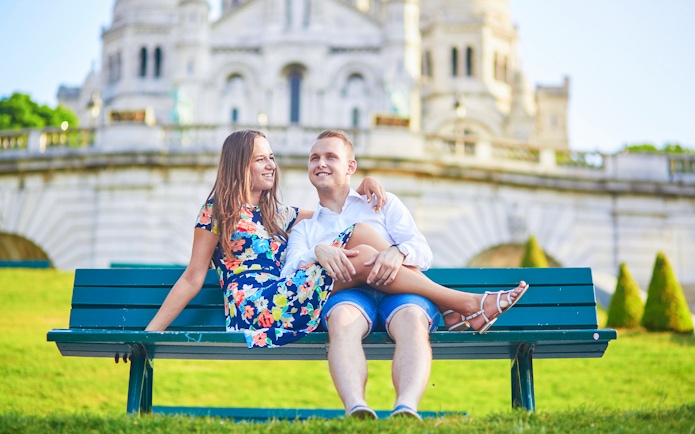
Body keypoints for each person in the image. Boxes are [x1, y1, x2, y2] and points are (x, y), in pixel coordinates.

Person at [281, 130, 529, 420]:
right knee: (342, 318)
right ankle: (356, 408)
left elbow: (422, 252)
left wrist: (397, 252)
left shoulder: (383, 202)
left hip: (400, 292)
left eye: (330, 157)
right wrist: (318, 251)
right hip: (347, 295)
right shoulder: (306, 228)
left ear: (351, 167)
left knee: (413, 319)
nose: (320, 163)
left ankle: (406, 408)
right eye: (314, 158)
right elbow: (289, 275)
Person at [145, 129, 387, 348]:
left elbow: (338, 213)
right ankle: (425, 291)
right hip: (253, 306)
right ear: (239, 165)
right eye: (260, 159)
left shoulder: (278, 214)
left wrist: (362, 186)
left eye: (271, 157)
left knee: (358, 233)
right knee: (363, 253)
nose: (271, 165)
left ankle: (410, 276)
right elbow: (192, 278)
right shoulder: (217, 211)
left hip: (283, 294)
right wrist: (149, 334)